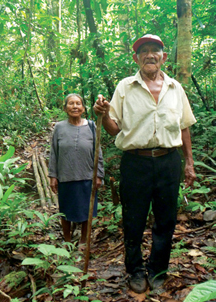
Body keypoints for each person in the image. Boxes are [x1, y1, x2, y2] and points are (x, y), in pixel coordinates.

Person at [93, 34, 196, 293]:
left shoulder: (175, 88)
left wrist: (189, 162)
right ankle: (136, 270)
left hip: (168, 162)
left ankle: (158, 270)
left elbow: (184, 127)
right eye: (144, 51)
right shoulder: (125, 87)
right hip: (135, 163)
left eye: (155, 50)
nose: (150, 55)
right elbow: (114, 129)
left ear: (162, 56)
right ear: (136, 58)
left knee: (166, 220)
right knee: (133, 219)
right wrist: (104, 115)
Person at [48, 93, 104, 245]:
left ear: (83, 108)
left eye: (78, 103)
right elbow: (54, 152)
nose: (75, 106)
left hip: (87, 176)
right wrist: (53, 175)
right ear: (65, 108)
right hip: (66, 176)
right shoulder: (59, 127)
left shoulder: (92, 126)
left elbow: (98, 151)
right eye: (71, 104)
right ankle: (67, 240)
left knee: (87, 210)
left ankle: (83, 241)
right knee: (65, 210)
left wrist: (99, 175)